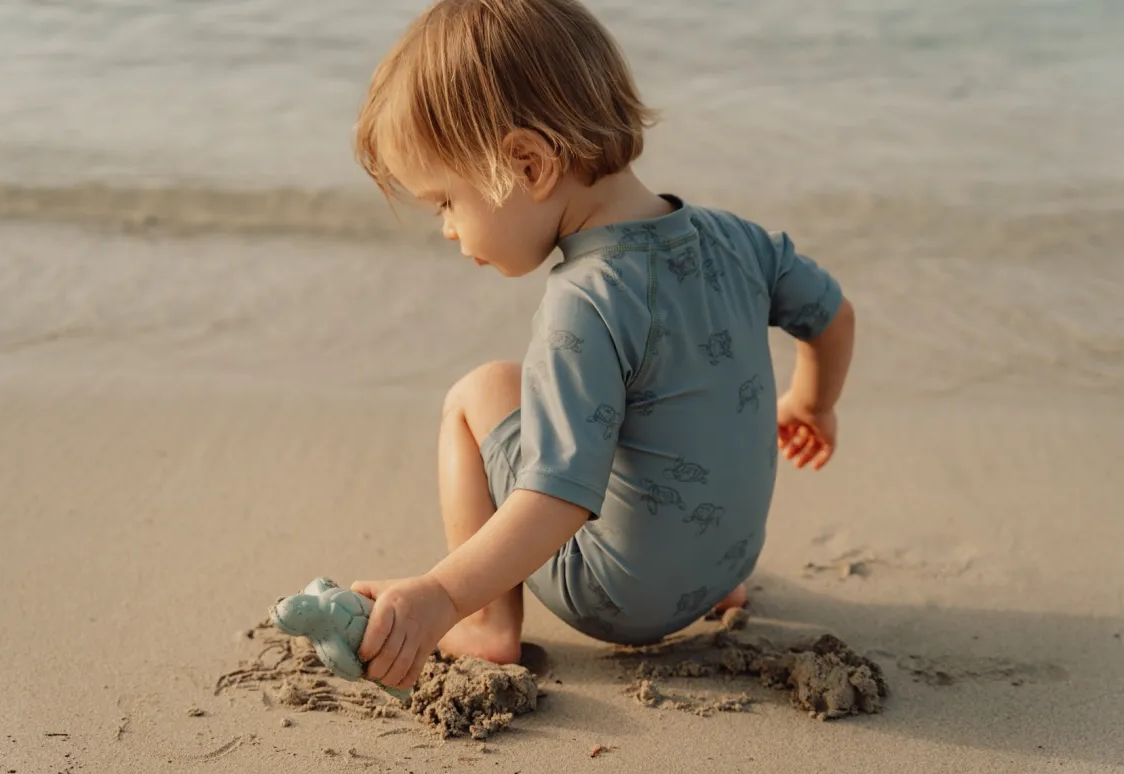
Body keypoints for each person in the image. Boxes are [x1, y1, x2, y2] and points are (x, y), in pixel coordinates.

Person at [346, 0, 856, 692]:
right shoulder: (737, 239)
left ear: (527, 164)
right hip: (729, 560)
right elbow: (833, 316)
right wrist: (811, 401)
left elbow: (557, 500)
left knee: (477, 394)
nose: (445, 230)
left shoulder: (585, 299)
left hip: (616, 597)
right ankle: (712, 588)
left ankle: (490, 623)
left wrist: (439, 594)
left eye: (445, 202)